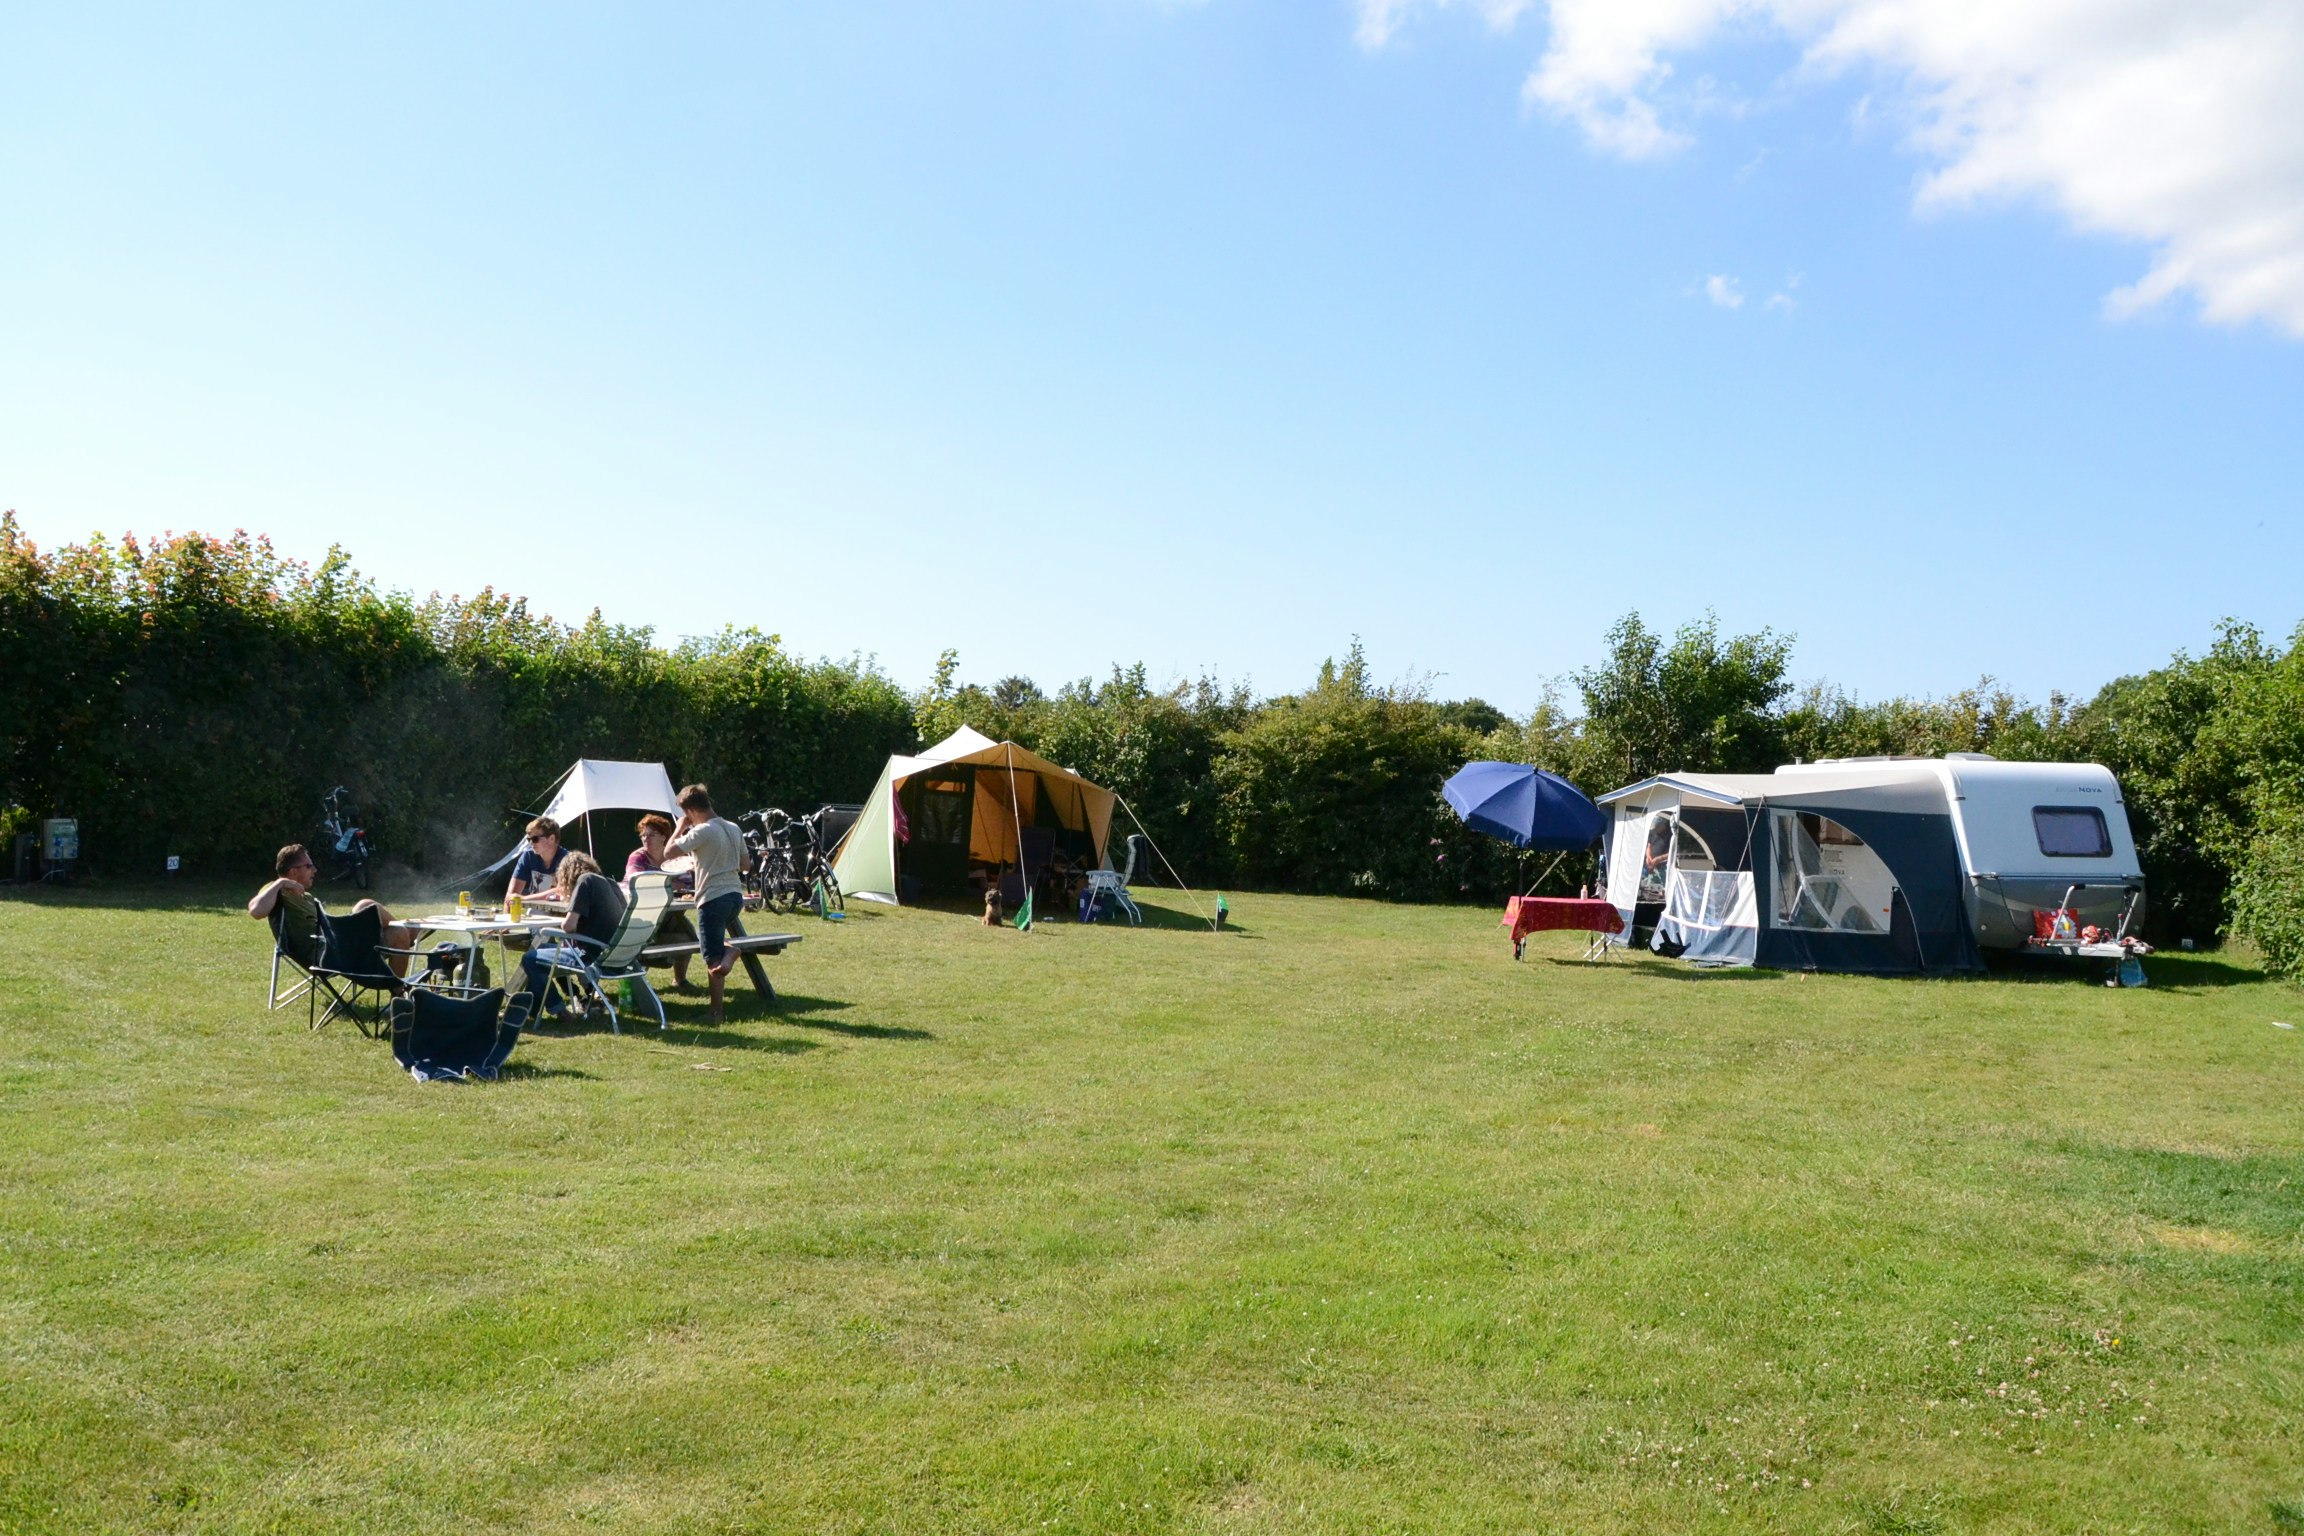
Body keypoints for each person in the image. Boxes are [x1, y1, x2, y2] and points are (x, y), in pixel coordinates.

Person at [248, 842, 418, 977]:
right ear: (293, 872)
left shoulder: (307, 897)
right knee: (367, 905)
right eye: (309, 866)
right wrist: (280, 883)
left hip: (338, 948)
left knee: (398, 933)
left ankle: (398, 995)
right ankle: (409, 929)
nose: (315, 870)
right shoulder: (275, 889)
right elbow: (256, 911)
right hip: (326, 957)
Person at [666, 783, 748, 1025]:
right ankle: (729, 951)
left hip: (712, 898)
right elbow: (745, 865)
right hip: (735, 896)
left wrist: (679, 828)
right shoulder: (733, 827)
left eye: (686, 815)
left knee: (713, 959)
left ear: (690, 811)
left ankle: (716, 1013)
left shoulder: (702, 831)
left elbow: (668, 853)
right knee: (710, 942)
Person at [514, 850, 628, 1022]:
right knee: (541, 949)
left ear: (567, 875)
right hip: (617, 954)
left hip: (590, 955)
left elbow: (568, 926)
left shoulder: (585, 881)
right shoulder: (610, 883)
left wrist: (560, 924)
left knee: (530, 959)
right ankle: (530, 1011)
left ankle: (559, 1010)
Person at [625, 812, 696, 988]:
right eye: (643, 835)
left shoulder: (675, 857)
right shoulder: (638, 857)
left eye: (650, 835)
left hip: (670, 912)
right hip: (642, 914)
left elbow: (687, 882)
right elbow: (636, 880)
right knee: (643, 940)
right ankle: (638, 983)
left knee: (687, 936)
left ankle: (680, 980)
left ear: (663, 837)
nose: (645, 839)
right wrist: (670, 884)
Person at [506, 816, 567, 899]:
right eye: (529, 839)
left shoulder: (567, 860)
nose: (531, 843)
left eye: (535, 839)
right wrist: (508, 908)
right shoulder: (528, 856)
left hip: (558, 907)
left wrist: (524, 898)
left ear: (552, 839)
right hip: (534, 905)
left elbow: (562, 891)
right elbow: (511, 895)